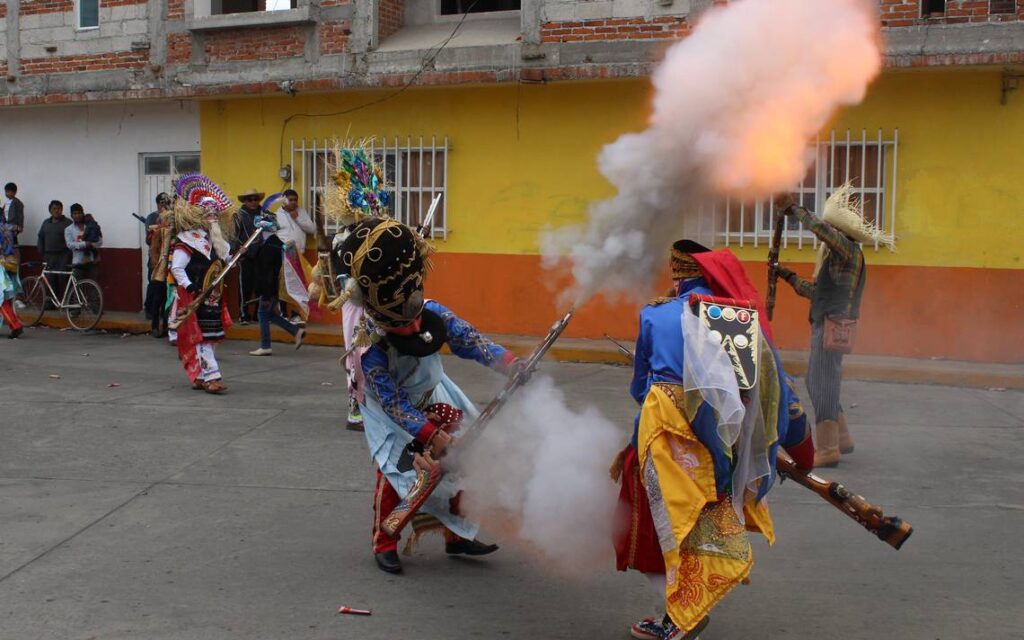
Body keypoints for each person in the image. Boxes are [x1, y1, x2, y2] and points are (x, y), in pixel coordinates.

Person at [612, 239, 813, 640]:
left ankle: (679, 615)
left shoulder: (655, 315)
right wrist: (799, 448)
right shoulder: (737, 317)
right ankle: (687, 605)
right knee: (706, 514)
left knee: (654, 524)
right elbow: (776, 391)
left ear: (676, 275)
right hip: (726, 433)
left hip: (665, 423)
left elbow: (640, 387)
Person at [334, 217, 518, 574]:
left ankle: (457, 534)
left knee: (466, 460)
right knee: (401, 474)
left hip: (433, 393)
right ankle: (384, 540)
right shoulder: (369, 347)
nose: (417, 326)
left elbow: (470, 340)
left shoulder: (432, 310)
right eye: (405, 324)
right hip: (391, 412)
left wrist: (510, 363)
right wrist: (431, 436)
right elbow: (391, 403)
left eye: (416, 316)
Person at [773, 187, 890, 468]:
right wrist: (787, 276)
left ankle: (827, 448)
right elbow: (817, 292)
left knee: (821, 381)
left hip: (831, 325)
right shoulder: (842, 258)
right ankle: (842, 437)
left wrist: (793, 209)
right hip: (831, 323)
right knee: (822, 380)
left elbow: (821, 231)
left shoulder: (846, 249)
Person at [169, 175, 235, 394]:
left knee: (211, 337)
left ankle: (199, 375)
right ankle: (212, 377)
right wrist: (189, 288)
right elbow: (177, 268)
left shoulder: (215, 240)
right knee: (202, 338)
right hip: (195, 296)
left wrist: (236, 254)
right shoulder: (187, 240)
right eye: (209, 215)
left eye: (214, 215)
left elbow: (227, 259)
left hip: (213, 297)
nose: (212, 218)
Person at [247, 205, 305, 356]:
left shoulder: (270, 246)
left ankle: (266, 345)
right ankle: (296, 331)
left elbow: (267, 272)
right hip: (274, 286)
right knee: (269, 314)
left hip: (270, 286)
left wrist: (266, 295)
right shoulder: (273, 243)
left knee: (262, 313)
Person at [274, 188, 315, 323]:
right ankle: (284, 313)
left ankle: (297, 314)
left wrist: (297, 218)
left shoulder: (301, 212)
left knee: (299, 284)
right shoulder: (276, 215)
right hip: (284, 254)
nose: (293, 203)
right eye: (290, 200)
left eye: (295, 200)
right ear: (284, 200)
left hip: (299, 255)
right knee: (284, 284)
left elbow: (312, 229)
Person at [233, 189, 263, 324]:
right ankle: (244, 314)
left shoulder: (265, 215)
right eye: (249, 199)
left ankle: (258, 313)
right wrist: (239, 248)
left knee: (260, 286)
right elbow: (233, 235)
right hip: (245, 255)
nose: (253, 202)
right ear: (245, 201)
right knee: (245, 286)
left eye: (255, 199)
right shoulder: (238, 215)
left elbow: (274, 229)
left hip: (261, 254)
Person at [145, 193, 173, 335]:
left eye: (167, 203)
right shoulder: (155, 221)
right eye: (163, 203)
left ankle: (167, 325)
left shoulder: (175, 222)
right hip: (159, 264)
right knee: (157, 295)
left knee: (170, 297)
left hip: (172, 265)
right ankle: (155, 324)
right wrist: (157, 264)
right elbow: (153, 245)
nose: (165, 205)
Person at [36, 200, 72, 299]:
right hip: (49, 256)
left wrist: (68, 255)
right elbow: (41, 237)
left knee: (64, 279)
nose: (57, 211)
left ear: (62, 210)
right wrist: (41, 252)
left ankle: (69, 302)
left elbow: (72, 239)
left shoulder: (68, 223)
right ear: (50, 210)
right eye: (54, 209)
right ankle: (51, 302)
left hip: (63, 256)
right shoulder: (46, 223)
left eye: (59, 209)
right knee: (50, 280)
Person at [65, 203, 102, 284]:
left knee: (93, 287)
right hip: (77, 263)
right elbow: (70, 245)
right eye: (75, 213)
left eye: (79, 213)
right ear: (71, 215)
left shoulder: (91, 225)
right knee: (77, 289)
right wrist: (85, 244)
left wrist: (91, 244)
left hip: (92, 262)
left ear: (83, 213)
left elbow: (99, 242)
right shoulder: (68, 229)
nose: (77, 215)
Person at [0, 217, 23, 338]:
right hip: (9, 264)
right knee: (5, 298)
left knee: (1, 300)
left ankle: (15, 325)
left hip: (1, 266)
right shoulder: (8, 228)